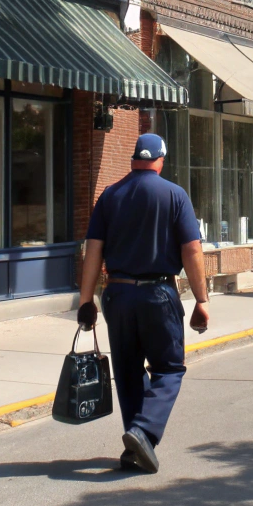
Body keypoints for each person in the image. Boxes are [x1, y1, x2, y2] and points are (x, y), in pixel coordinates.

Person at [77, 133, 209, 474]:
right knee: (168, 368)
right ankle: (143, 432)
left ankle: (136, 447)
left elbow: (93, 249)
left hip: (117, 295)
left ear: (134, 159)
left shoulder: (109, 195)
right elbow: (192, 250)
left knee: (128, 372)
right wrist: (202, 299)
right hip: (157, 294)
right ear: (161, 160)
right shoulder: (175, 195)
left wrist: (86, 300)